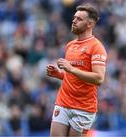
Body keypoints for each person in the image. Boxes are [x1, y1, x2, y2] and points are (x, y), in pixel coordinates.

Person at [46, 4, 107, 137]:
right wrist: (60, 75)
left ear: (89, 24)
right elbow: (73, 76)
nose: (74, 20)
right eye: (74, 17)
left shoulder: (96, 47)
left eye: (79, 19)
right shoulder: (70, 45)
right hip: (63, 102)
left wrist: (71, 69)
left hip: (83, 108)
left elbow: (99, 78)